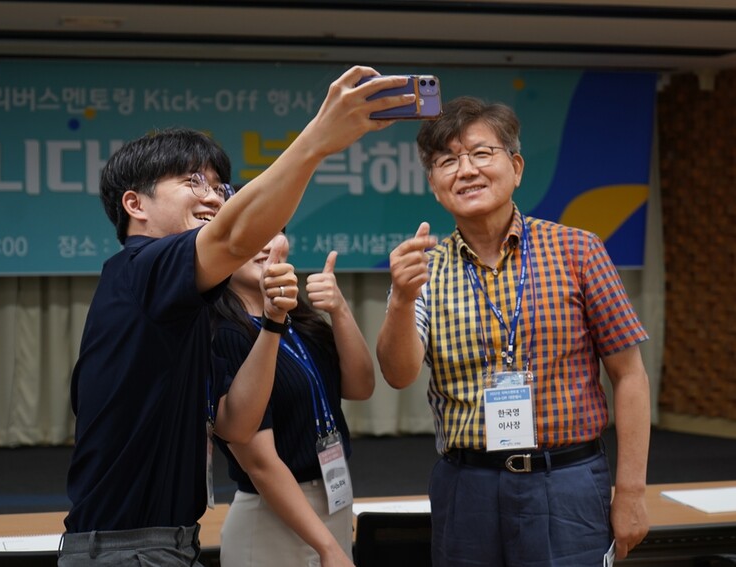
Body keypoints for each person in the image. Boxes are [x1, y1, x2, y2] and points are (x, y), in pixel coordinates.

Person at [59, 66, 414, 566]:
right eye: (192, 181)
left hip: (169, 541)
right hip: (128, 549)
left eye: (220, 187)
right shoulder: (139, 269)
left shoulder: (184, 307)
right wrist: (315, 141)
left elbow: (237, 424)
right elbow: (232, 236)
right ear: (134, 204)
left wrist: (272, 321)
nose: (212, 196)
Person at [375, 96, 651, 566]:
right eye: (448, 161)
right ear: (434, 185)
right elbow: (398, 374)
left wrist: (630, 492)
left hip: (567, 479)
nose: (466, 170)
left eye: (482, 153)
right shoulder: (424, 269)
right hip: (467, 486)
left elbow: (629, 376)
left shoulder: (578, 251)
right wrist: (401, 299)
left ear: (516, 167)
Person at [210, 231, 374, 567]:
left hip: (334, 499)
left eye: (276, 232)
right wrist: (327, 548)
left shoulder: (299, 318)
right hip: (272, 518)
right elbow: (259, 463)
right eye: (256, 231)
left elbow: (360, 387)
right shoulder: (224, 334)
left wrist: (339, 308)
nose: (268, 243)